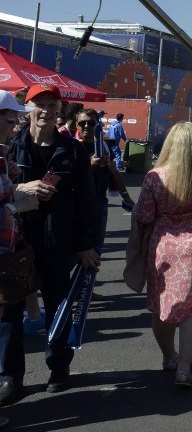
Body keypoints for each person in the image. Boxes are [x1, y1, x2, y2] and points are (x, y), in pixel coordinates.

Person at [2, 84, 99, 396]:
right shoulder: (10, 148)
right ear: (28, 108)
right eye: (39, 104)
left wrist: (86, 245)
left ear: (60, 110)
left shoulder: (74, 152)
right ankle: (10, 377)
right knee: (10, 312)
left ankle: (58, 367)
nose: (45, 110)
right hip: (16, 243)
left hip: (58, 243)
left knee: (58, 307)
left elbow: (88, 202)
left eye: (51, 105)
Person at [135, 122, 192, 388]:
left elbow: (144, 215)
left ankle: (169, 357)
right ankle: (184, 370)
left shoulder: (155, 176)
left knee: (162, 305)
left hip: (165, 246)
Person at [0, 92, 40, 413]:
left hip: (9, 250)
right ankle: (8, 379)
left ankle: (11, 377)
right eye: (11, 118)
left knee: (11, 315)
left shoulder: (2, 154)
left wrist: (14, 183)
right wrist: (16, 203)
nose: (16, 125)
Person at [78, 108, 134, 252]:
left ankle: (90, 275)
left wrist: (126, 196)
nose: (86, 126)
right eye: (82, 123)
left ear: (98, 124)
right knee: (77, 251)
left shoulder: (104, 145)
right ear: (77, 125)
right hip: (77, 205)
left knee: (97, 249)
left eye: (91, 123)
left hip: (100, 202)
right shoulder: (71, 146)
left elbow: (114, 172)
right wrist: (89, 165)